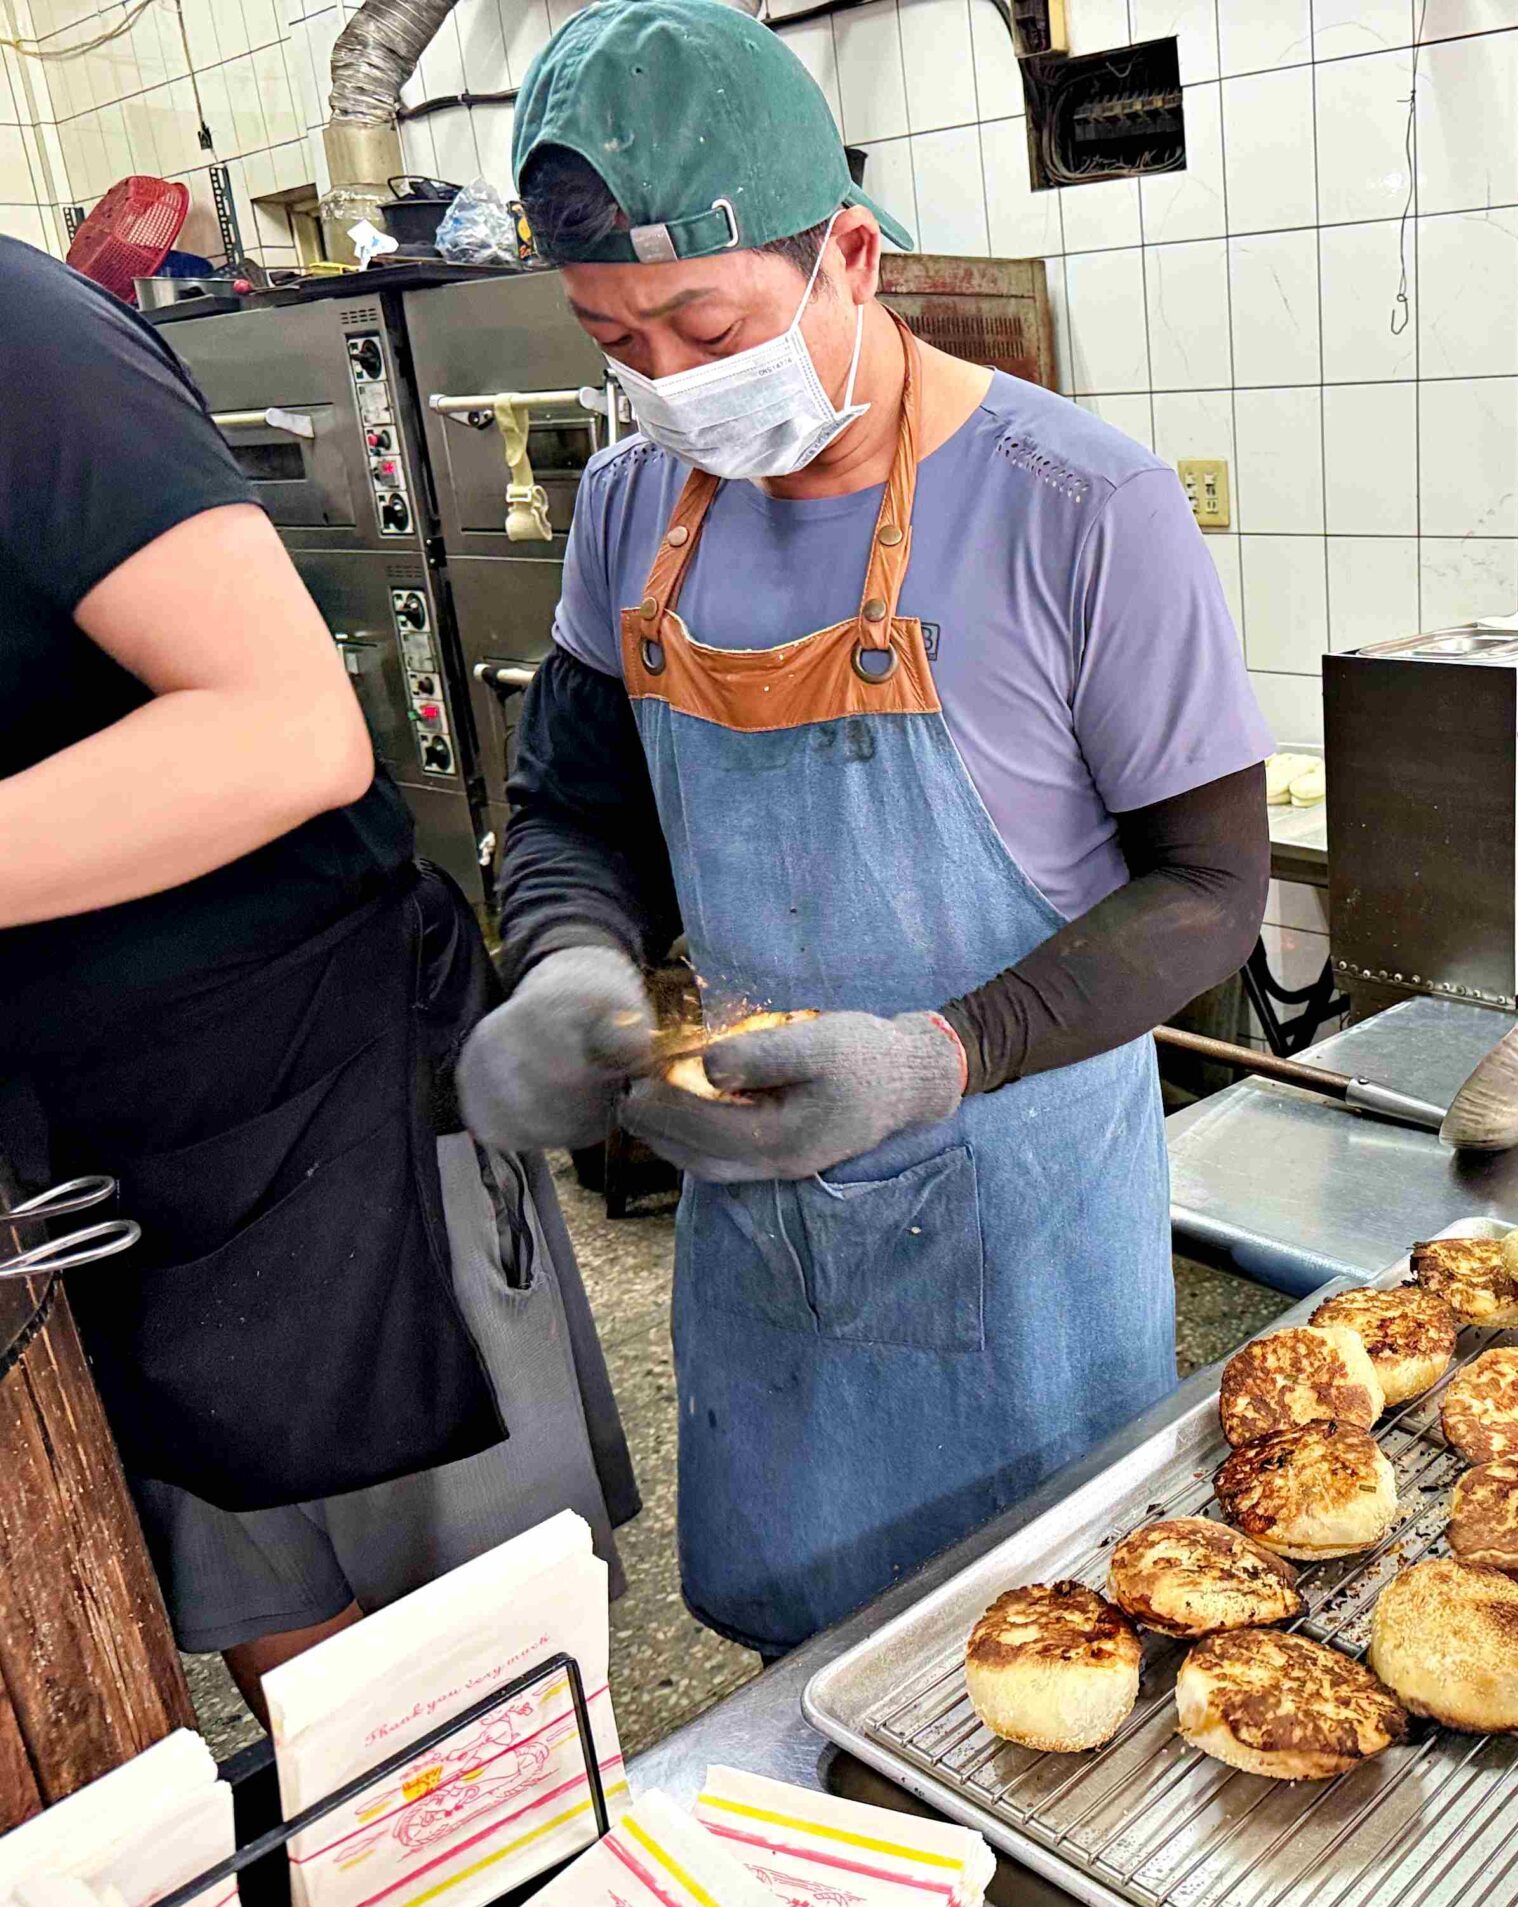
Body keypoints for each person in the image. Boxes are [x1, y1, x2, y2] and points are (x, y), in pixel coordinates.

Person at [461, 0, 1272, 1654]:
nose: (668, 385)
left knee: (1040, 1664)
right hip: (759, 1215)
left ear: (848, 251)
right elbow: (571, 810)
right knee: (805, 1687)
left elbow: (1211, 890)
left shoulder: (1078, 508)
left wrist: (947, 1050)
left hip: (1018, 1231)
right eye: (617, 342)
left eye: (704, 324)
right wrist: (564, 962)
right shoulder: (629, 511)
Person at [0, 236, 636, 1718]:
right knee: (296, 1670)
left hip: (314, 1121)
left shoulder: (20, 343)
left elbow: (289, 729)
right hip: (98, 1146)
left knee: (480, 1708)